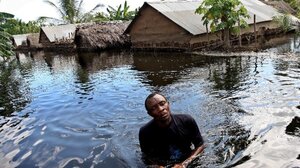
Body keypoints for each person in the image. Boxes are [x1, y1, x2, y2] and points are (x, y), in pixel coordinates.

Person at [139, 93, 205, 168]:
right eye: (154, 108)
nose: (161, 109)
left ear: (168, 104)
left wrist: (185, 163)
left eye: (162, 104)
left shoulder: (187, 121)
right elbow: (146, 157)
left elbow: (200, 145)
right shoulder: (145, 132)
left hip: (187, 161)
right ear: (150, 114)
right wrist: (157, 166)